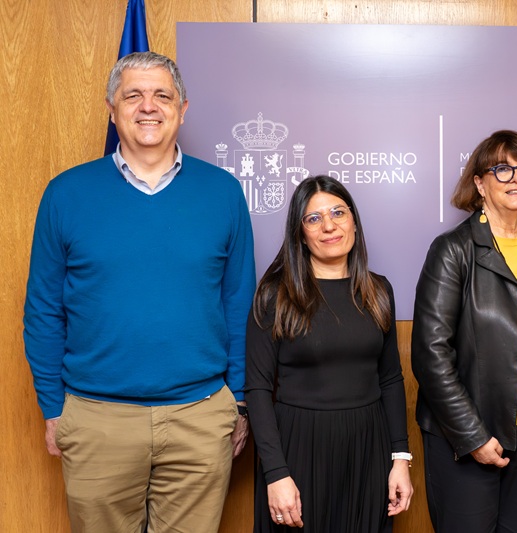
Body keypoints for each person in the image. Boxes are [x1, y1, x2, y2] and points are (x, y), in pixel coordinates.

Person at [22, 51, 255, 532]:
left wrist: (237, 402)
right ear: (112, 107)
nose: (148, 106)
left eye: (162, 95)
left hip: (200, 417)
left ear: (183, 109)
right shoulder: (65, 194)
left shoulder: (223, 192)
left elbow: (239, 304)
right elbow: (44, 310)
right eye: (133, 95)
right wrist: (52, 407)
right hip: (96, 419)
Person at [411, 130, 517, 532]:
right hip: (467, 439)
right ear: (479, 183)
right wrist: (472, 435)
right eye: (502, 169)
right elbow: (430, 355)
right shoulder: (453, 249)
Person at [245, 175, 413, 532]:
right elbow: (258, 388)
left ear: (353, 220)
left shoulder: (378, 290)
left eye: (338, 212)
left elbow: (391, 379)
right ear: (300, 232)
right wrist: (276, 473)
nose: (329, 226)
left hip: (369, 451)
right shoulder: (274, 295)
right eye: (314, 218)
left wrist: (400, 459)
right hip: (298, 450)